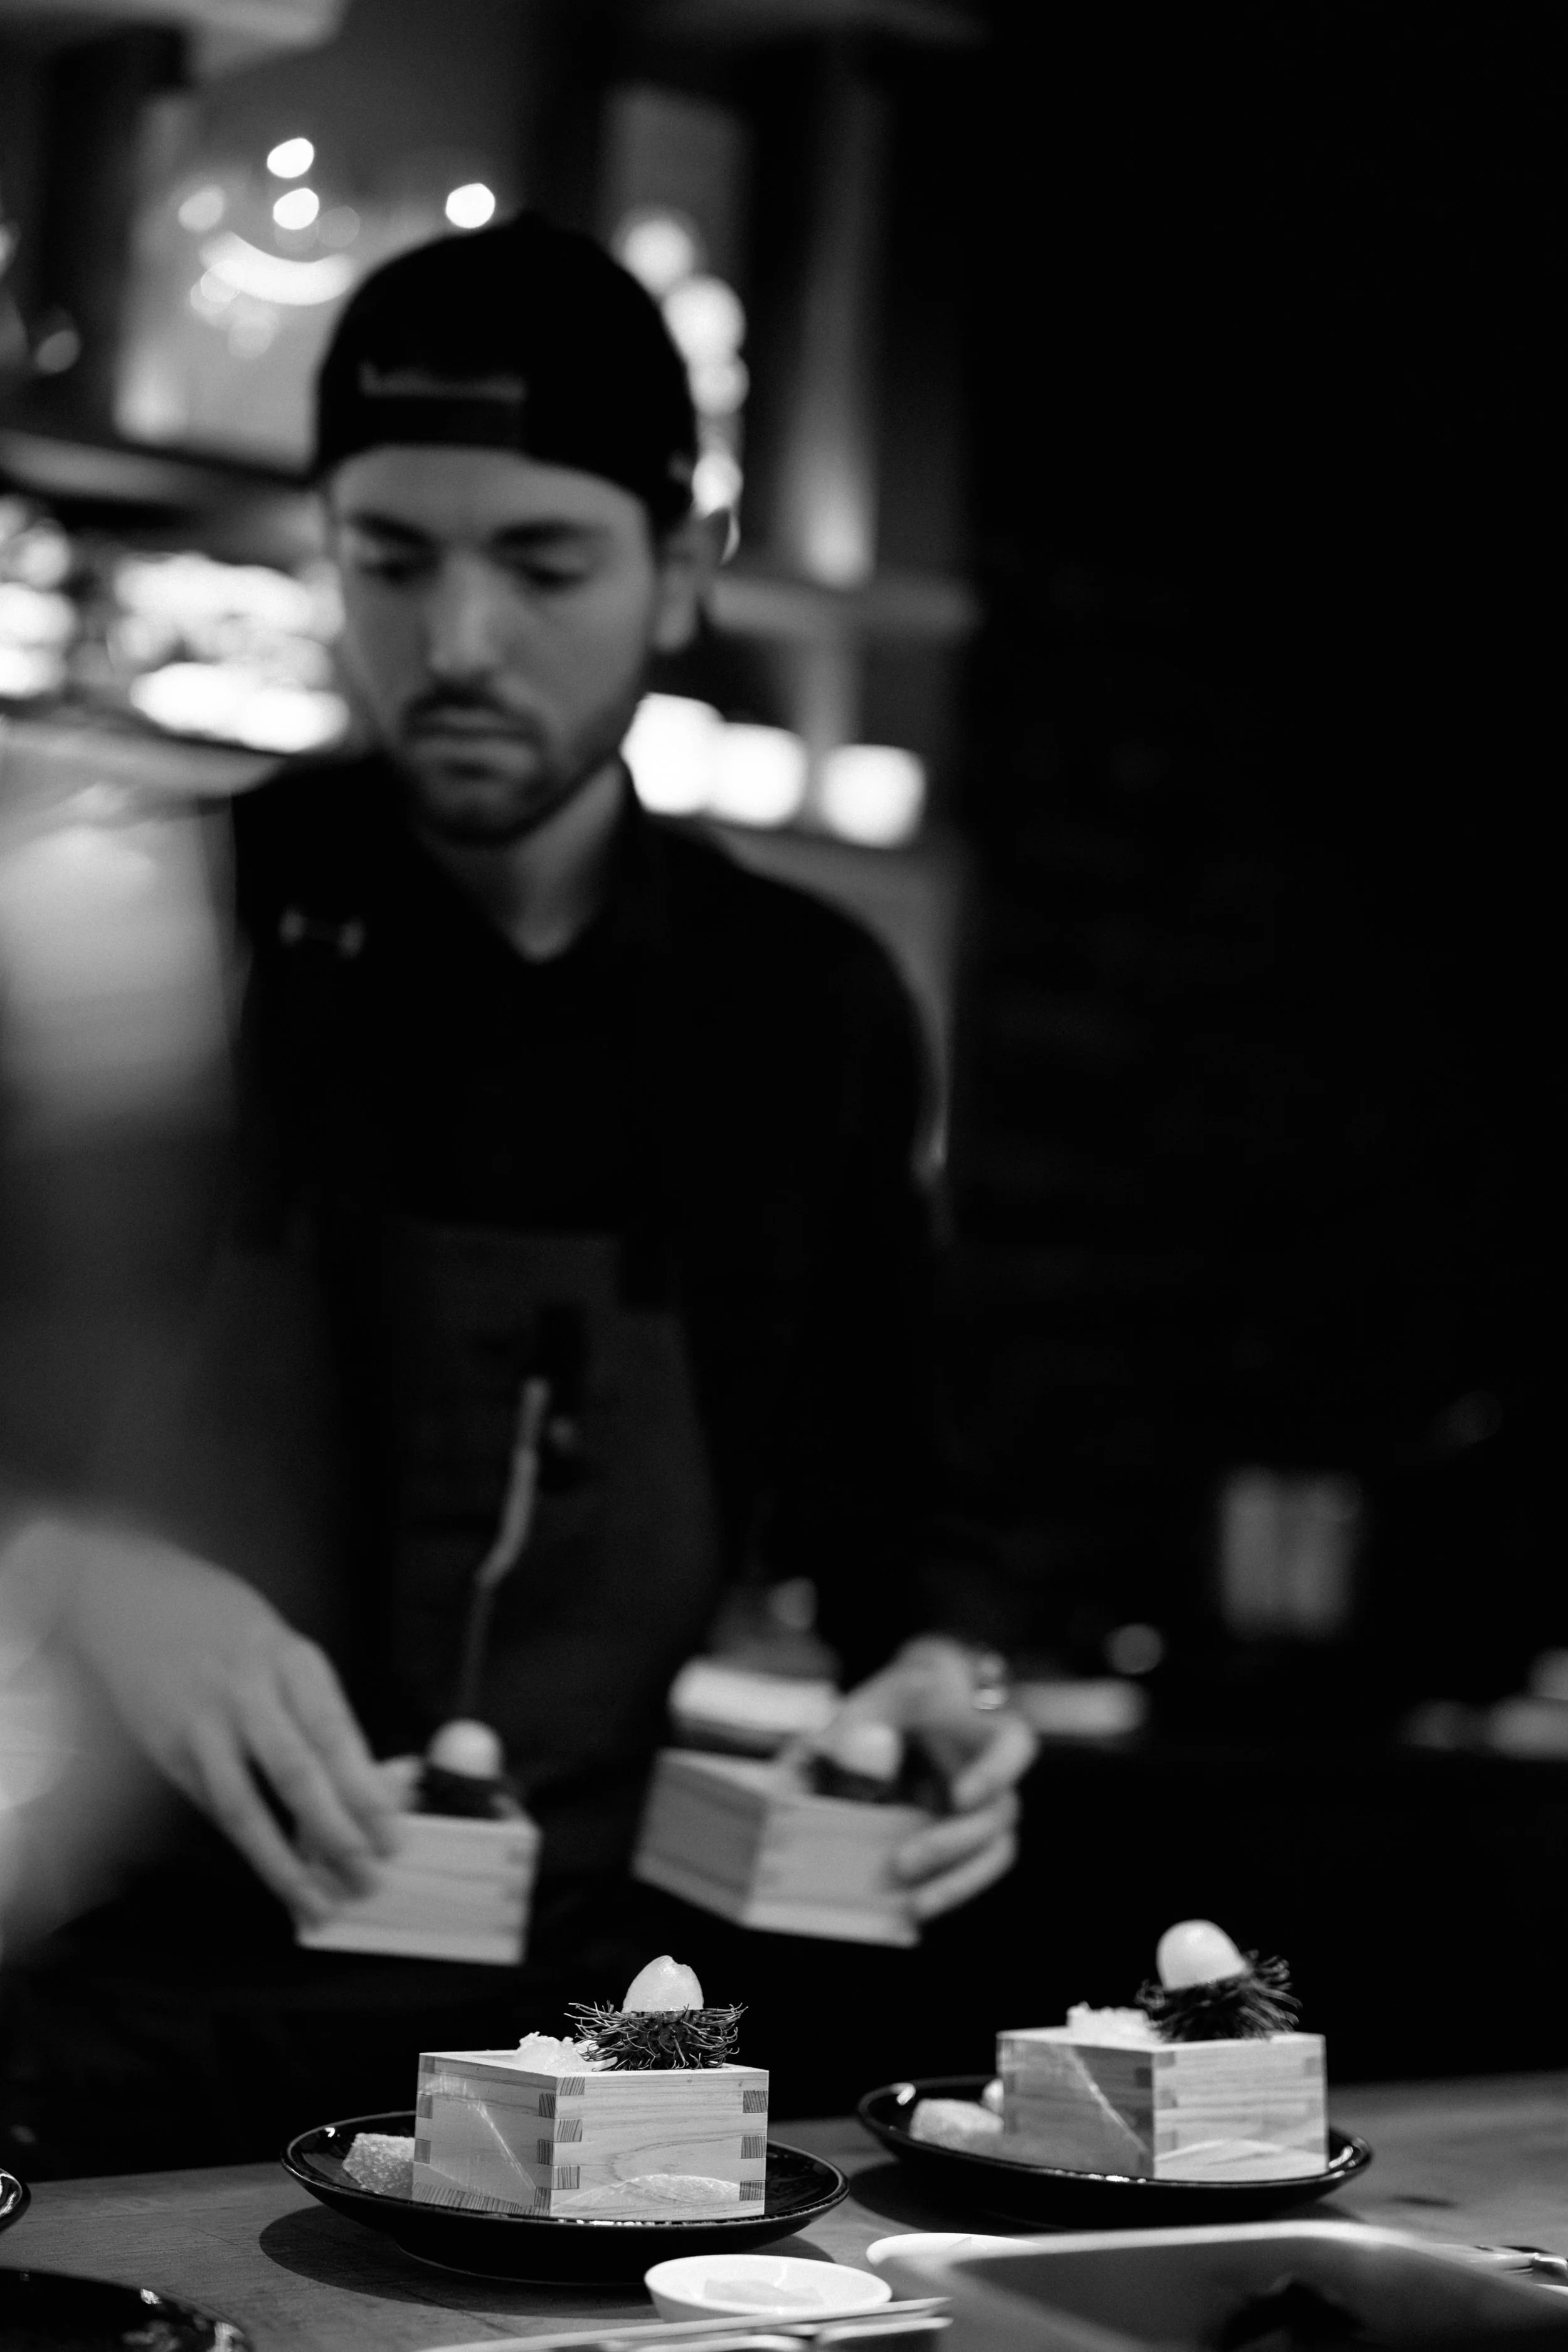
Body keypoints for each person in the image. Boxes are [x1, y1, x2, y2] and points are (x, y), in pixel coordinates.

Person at [0, 215, 1034, 2167]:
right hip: (109, 2019)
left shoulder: (801, 1009)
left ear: (683, 570)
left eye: (539, 563)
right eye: (390, 559)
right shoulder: (129, 927)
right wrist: (75, 1559)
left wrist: (939, 1675)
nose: (455, 641)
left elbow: (907, 1508)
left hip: (599, 2050)